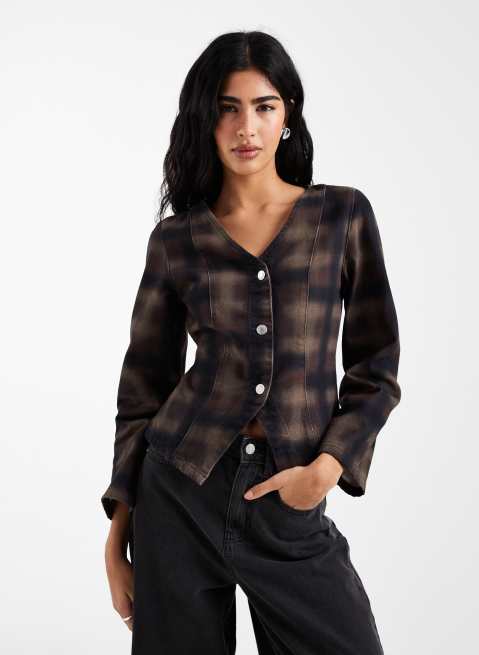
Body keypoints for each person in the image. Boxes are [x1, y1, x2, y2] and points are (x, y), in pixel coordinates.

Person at [102, 30, 401, 655]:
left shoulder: (341, 216)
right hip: (177, 495)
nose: (246, 127)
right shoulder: (177, 241)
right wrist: (118, 534)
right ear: (205, 121)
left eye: (264, 107)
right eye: (228, 108)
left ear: (287, 115)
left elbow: (376, 364)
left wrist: (327, 467)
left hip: (288, 497)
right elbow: (144, 389)